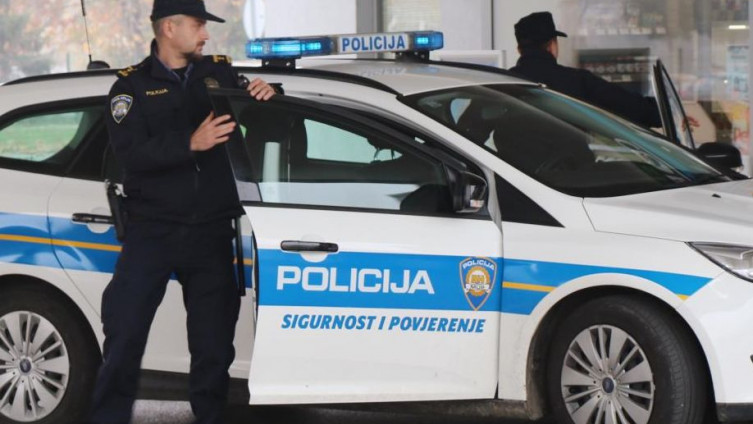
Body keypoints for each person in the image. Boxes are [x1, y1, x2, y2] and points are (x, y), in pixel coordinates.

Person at [88, 0, 277, 423]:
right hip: (152, 231)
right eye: (198, 25)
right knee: (124, 336)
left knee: (214, 346)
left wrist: (269, 92)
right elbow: (130, 154)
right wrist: (190, 143)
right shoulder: (130, 88)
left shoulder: (218, 74)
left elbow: (260, 110)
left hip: (211, 231)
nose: (206, 34)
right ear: (169, 28)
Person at [509, 11, 662, 129]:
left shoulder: (504, 83)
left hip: (512, 162)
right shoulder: (577, 81)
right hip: (572, 161)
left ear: (519, 50)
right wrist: (665, 110)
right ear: (552, 46)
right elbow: (633, 108)